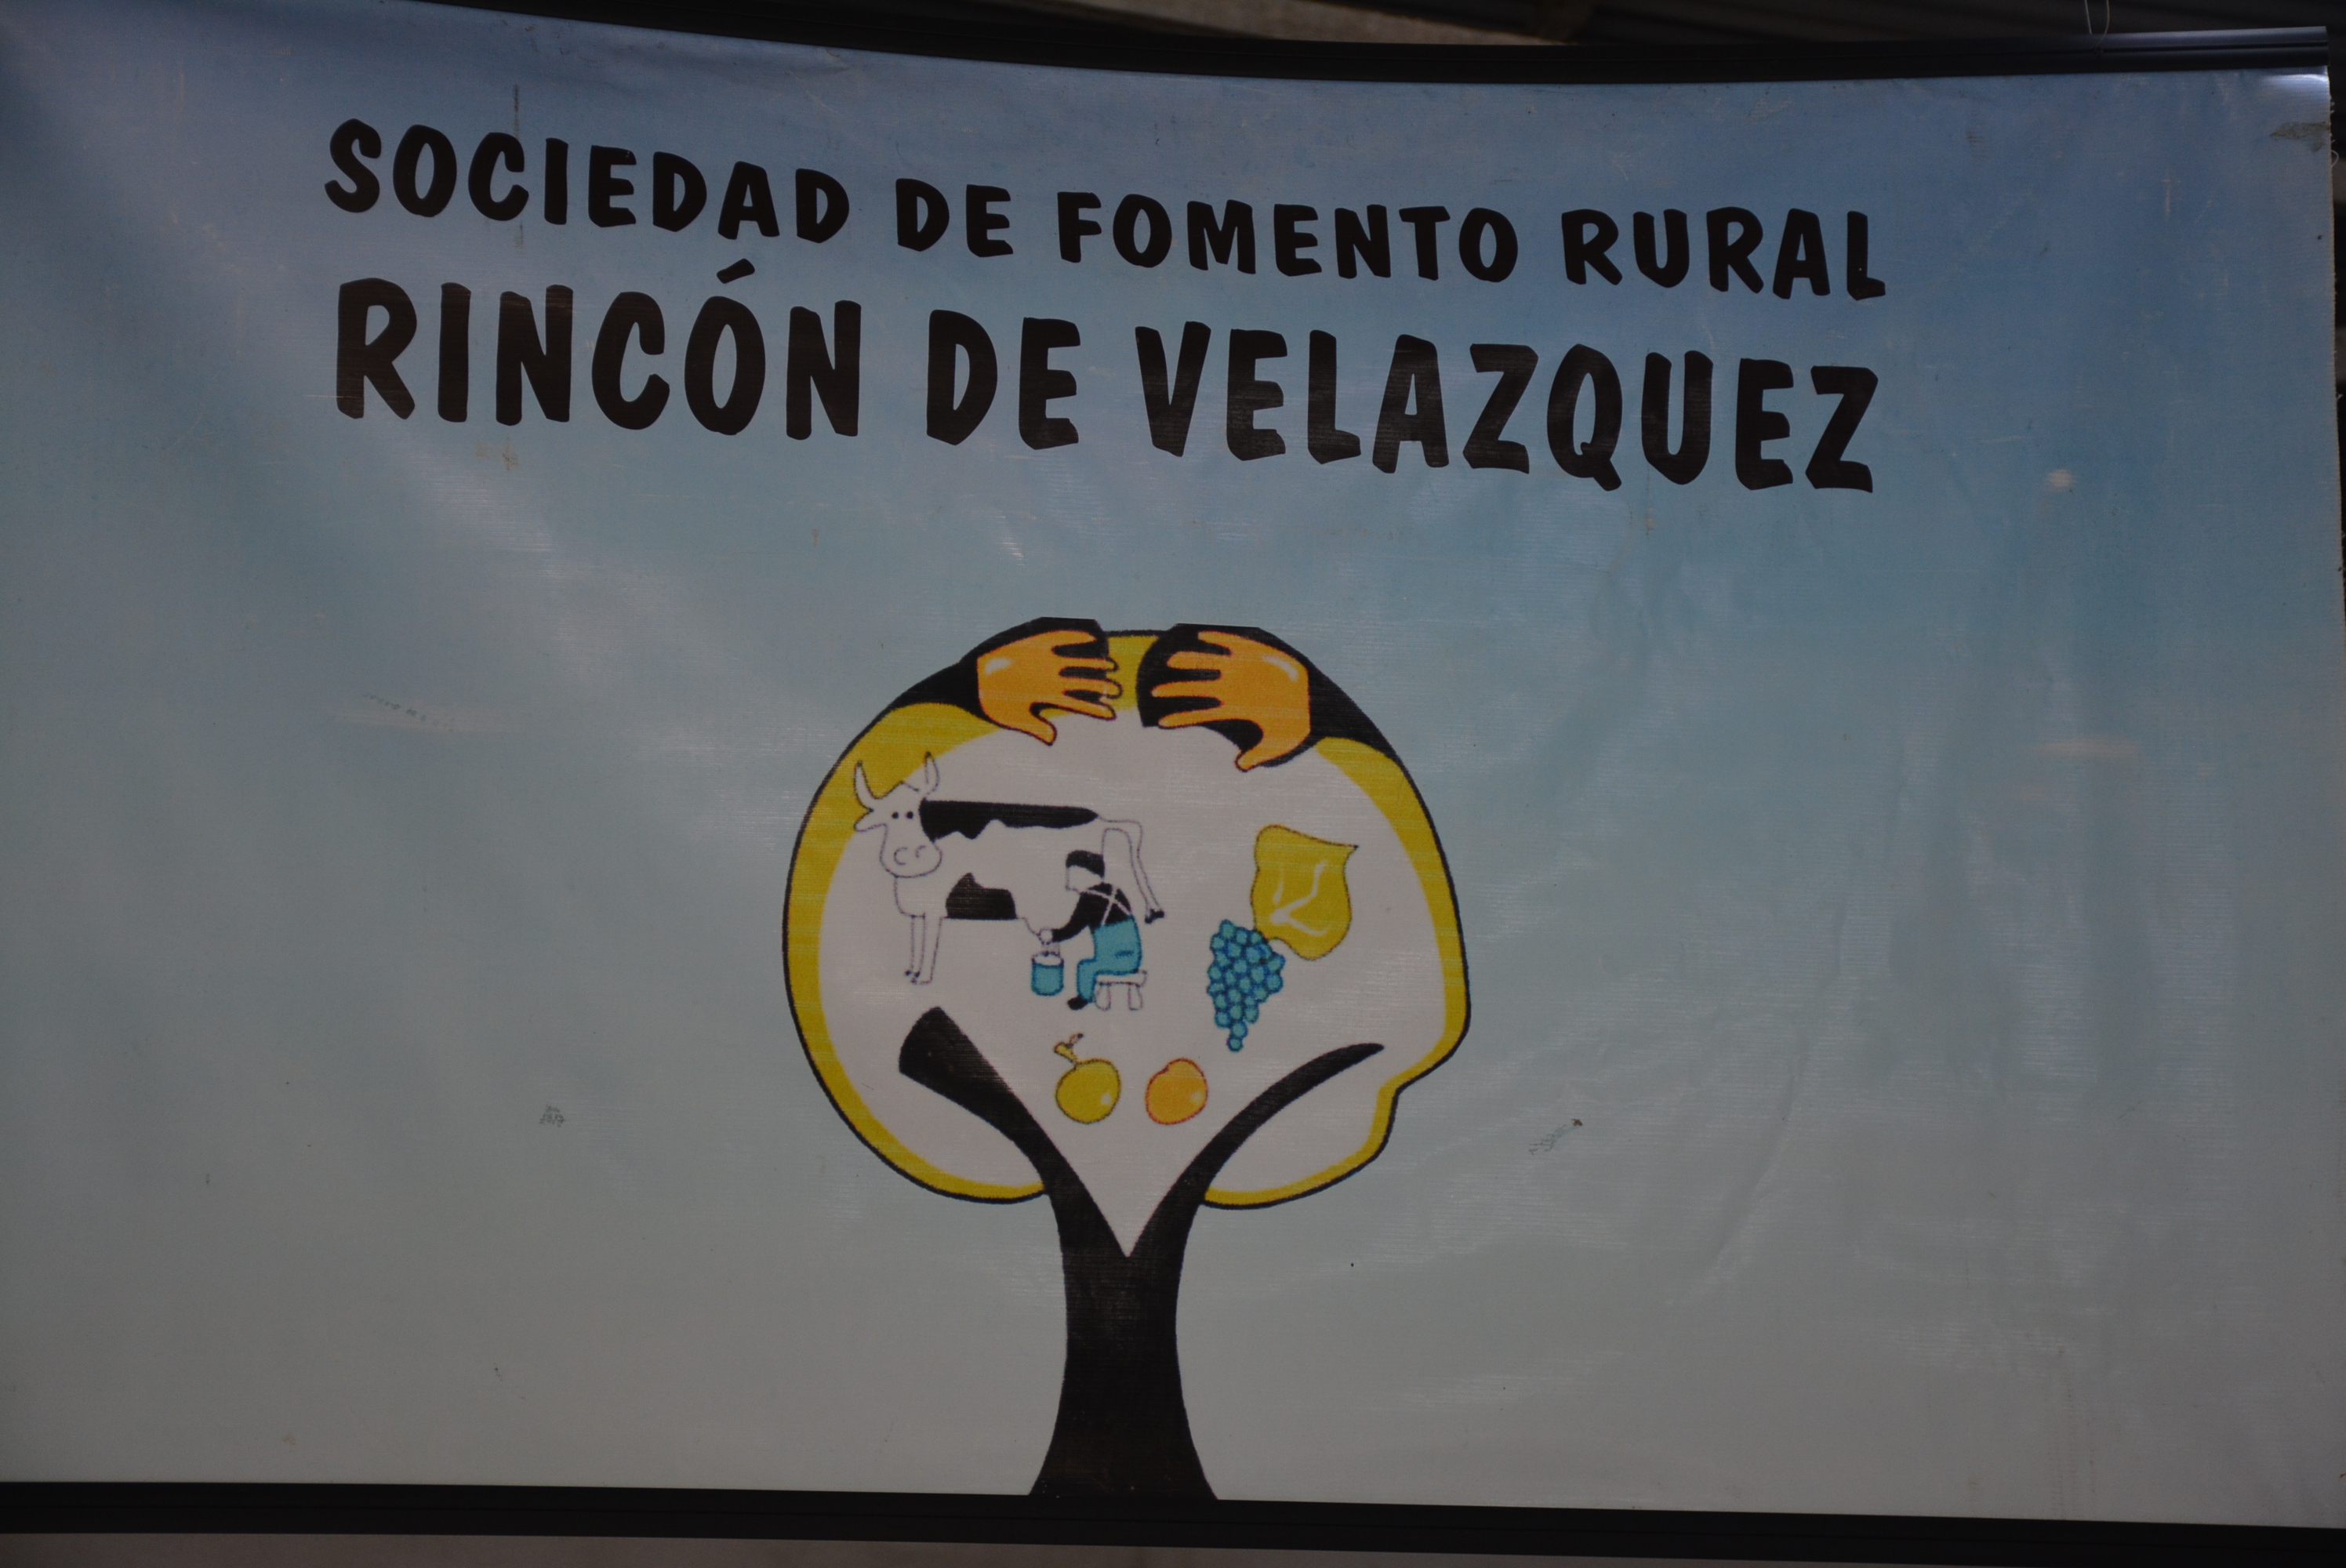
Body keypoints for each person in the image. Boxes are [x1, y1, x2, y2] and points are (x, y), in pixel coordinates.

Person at [1050, 850, 1142, 1010]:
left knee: (1085, 967)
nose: (1069, 883)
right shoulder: (1115, 890)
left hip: (1115, 960)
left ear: (1084, 873)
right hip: (1133, 958)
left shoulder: (1089, 899)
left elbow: (1072, 929)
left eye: (1071, 876)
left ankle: (1084, 998)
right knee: (1091, 964)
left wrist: (1053, 935)